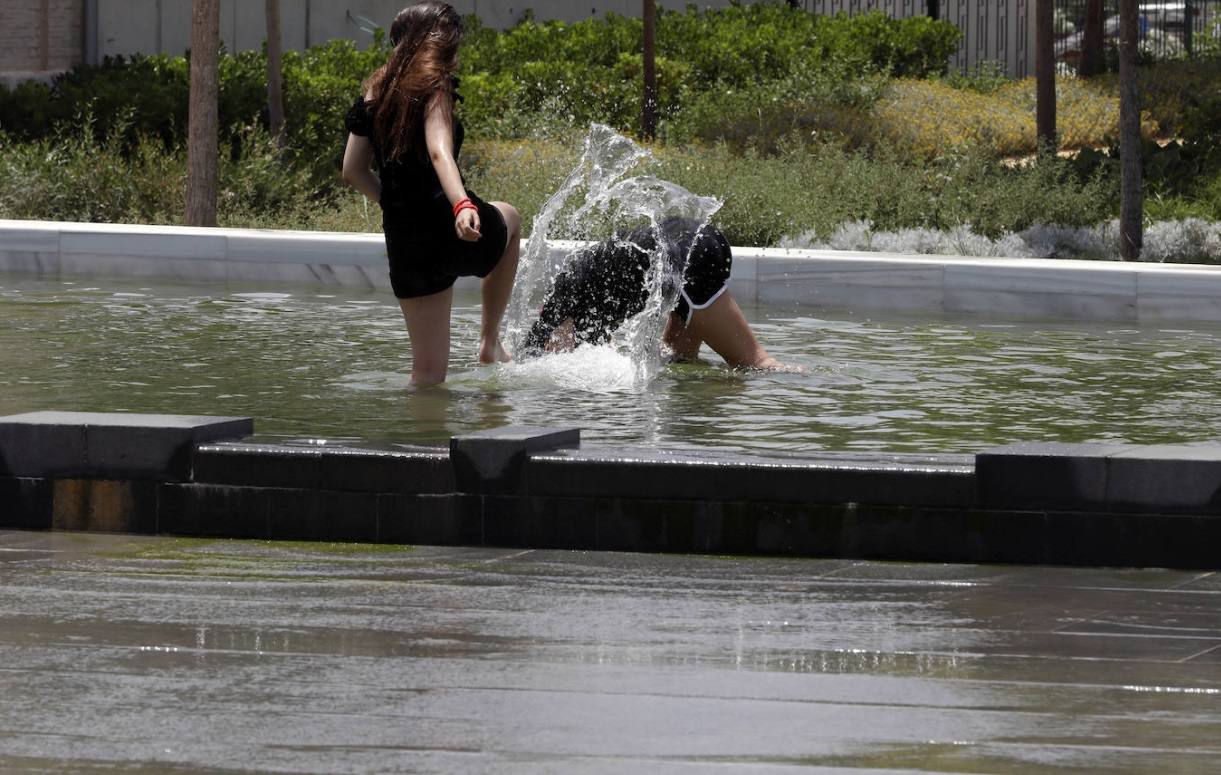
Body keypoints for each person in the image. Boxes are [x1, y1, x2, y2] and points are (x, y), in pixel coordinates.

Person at [341, 1, 520, 386]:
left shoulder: (372, 96)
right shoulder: (434, 86)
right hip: (450, 226)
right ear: (438, 44)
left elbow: (352, 171)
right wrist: (462, 205)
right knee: (512, 218)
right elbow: (439, 150)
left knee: (426, 374)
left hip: (406, 242)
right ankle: (489, 341)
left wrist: (396, 206)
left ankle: (418, 443)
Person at [523, 217, 784, 370]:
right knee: (677, 360)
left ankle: (807, 386)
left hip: (684, 258)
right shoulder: (570, 296)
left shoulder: (561, 317)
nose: (556, 353)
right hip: (687, 242)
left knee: (755, 364)